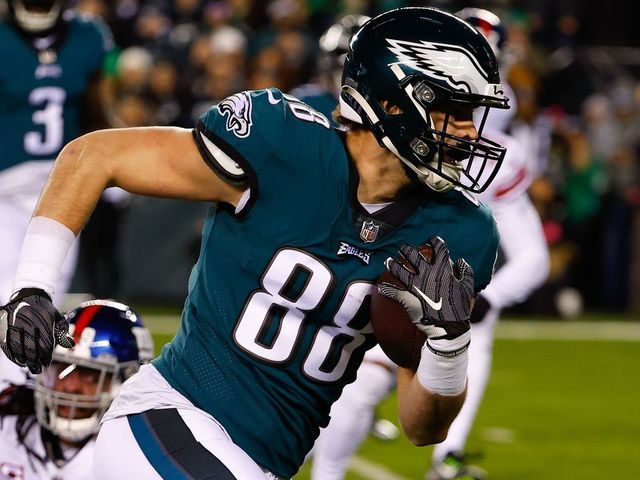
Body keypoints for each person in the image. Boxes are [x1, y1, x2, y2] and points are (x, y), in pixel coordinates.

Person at [0, 7, 509, 479]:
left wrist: (449, 346)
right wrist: (31, 288)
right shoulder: (282, 145)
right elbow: (93, 157)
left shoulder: (457, 231)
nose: (469, 132)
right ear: (391, 102)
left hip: (255, 462)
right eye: (454, 111)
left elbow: (423, 428)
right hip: (169, 418)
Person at [310, 10, 549, 480]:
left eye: (472, 108)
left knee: (463, 326)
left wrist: (482, 301)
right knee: (348, 382)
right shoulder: (318, 139)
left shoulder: (488, 172)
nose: (468, 130)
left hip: (417, 274)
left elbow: (534, 256)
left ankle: (447, 459)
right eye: (452, 105)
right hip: (360, 270)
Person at [0, 0, 114, 390]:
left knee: (42, 299)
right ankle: (12, 397)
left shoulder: (87, 36)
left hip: (63, 188)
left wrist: (114, 162)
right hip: (4, 189)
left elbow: (98, 112)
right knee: (10, 295)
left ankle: (20, 396)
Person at [0, 299, 153, 479]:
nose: (70, 386)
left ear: (128, 381)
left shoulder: (136, 459)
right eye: (60, 368)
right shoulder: (8, 427)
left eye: (91, 376)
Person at [289, 14, 369, 123]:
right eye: (341, 53)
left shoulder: (383, 104)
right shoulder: (306, 101)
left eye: (359, 55)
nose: (346, 61)